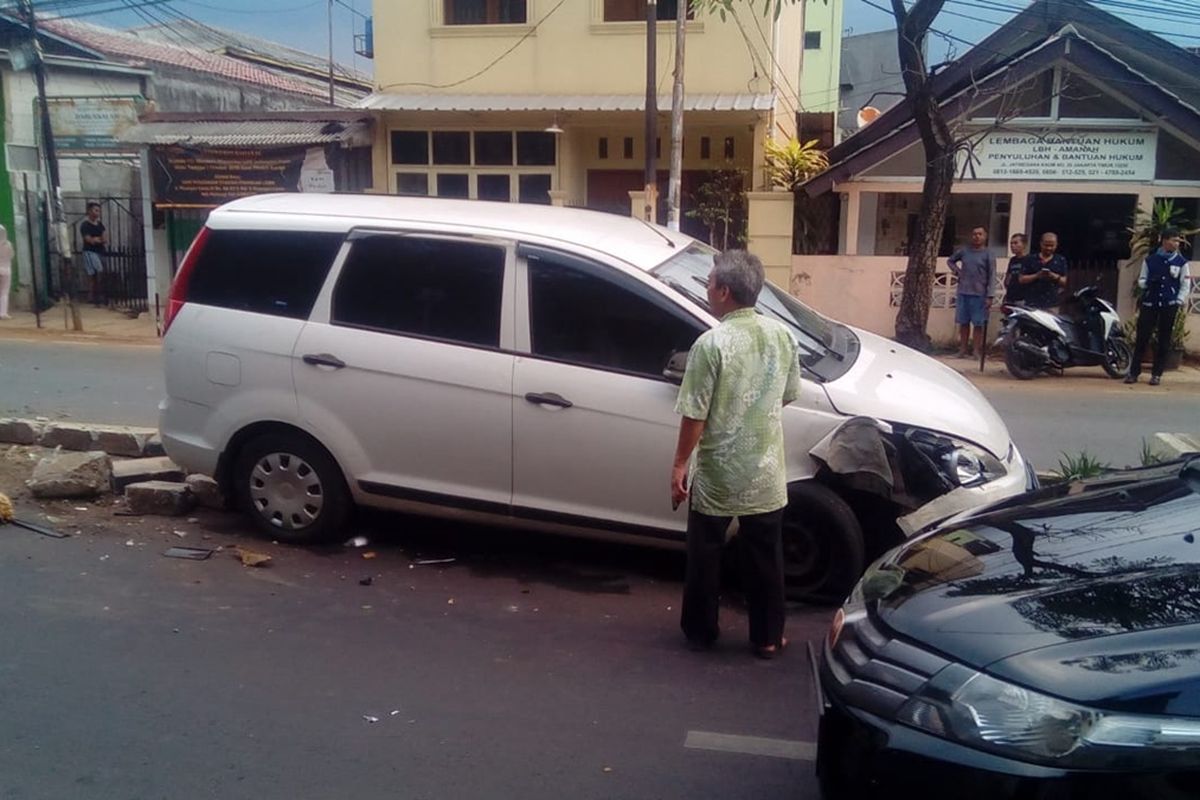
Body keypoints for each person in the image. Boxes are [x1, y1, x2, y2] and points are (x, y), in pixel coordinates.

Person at [670, 250, 801, 660]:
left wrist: (679, 464)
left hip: (718, 473)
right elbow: (788, 393)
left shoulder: (710, 344)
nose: (707, 290)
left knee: (705, 553)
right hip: (765, 471)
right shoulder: (782, 337)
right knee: (766, 556)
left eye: (709, 284)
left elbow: (695, 413)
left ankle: (701, 631)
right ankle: (766, 638)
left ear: (724, 292)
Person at [1126, 228, 1192, 386]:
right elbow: (1141, 280)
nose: (1177, 243)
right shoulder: (1150, 260)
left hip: (1169, 305)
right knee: (1142, 337)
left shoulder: (1181, 262)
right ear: (1164, 241)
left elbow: (1185, 284)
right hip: (1150, 303)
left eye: (1178, 241)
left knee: (1164, 339)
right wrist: (1148, 283)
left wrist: (1178, 300)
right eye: (1174, 240)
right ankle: (1133, 372)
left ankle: (1156, 374)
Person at [947, 226, 997, 358]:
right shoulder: (964, 251)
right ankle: (962, 350)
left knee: (978, 324)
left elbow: (992, 275)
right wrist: (957, 271)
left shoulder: (988, 254)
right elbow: (950, 261)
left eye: (980, 234)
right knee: (963, 323)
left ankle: (976, 351)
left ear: (985, 237)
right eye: (974, 234)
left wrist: (990, 295)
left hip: (980, 295)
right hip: (963, 292)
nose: (977, 237)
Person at [1018, 232, 1068, 310]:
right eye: (1046, 245)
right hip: (1032, 303)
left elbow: (1065, 282)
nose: (1049, 248)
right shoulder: (1030, 259)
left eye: (1052, 245)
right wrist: (1037, 275)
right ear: (1041, 244)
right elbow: (1021, 279)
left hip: (1052, 304)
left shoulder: (1060, 260)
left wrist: (1053, 276)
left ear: (1056, 244)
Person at [80, 202, 107, 306]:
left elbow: (104, 238)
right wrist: (96, 239)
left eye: (98, 210)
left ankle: (95, 296)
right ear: (89, 211)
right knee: (95, 274)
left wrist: (97, 239)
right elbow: (89, 240)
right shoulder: (85, 225)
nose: (97, 213)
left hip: (100, 251)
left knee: (99, 274)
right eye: (95, 210)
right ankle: (94, 296)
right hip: (90, 252)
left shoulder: (100, 224)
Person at [1003, 233, 1030, 305]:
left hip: (1023, 299)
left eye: (1015, 243)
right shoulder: (1012, 260)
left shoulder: (1030, 260)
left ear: (1024, 244)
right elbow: (1008, 277)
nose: (1012, 246)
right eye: (1011, 243)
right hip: (1010, 297)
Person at [0, 224, 13, 320]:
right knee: (4, 292)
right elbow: (12, 256)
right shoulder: (8, 244)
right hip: (6, 269)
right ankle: (3, 313)